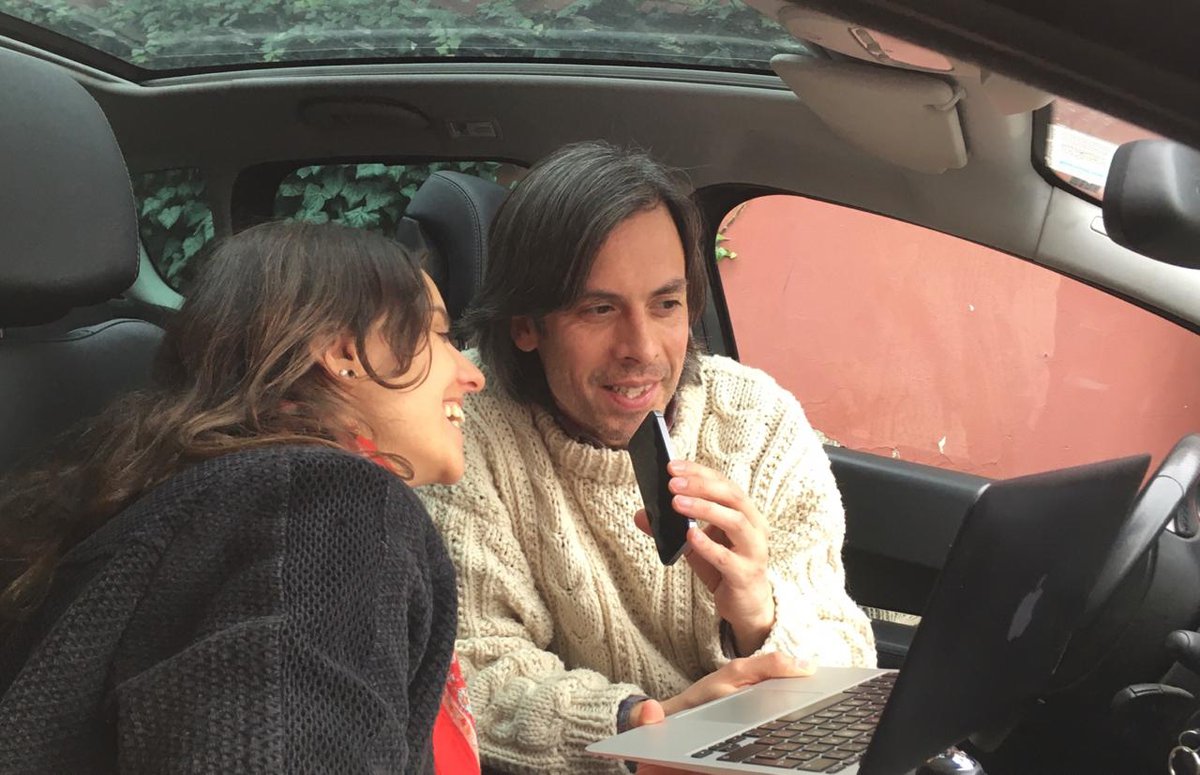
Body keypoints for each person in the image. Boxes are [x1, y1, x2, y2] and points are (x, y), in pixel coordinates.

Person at [419, 141, 877, 772]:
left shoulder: (758, 419)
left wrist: (758, 613)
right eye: (599, 309)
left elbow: (846, 650)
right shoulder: (459, 425)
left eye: (666, 304)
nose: (642, 348)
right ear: (526, 324)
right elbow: (474, 673)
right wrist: (645, 727)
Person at [0, 221, 485, 774]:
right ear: (344, 353)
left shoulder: (199, 499)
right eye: (438, 334)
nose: (472, 375)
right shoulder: (321, 507)